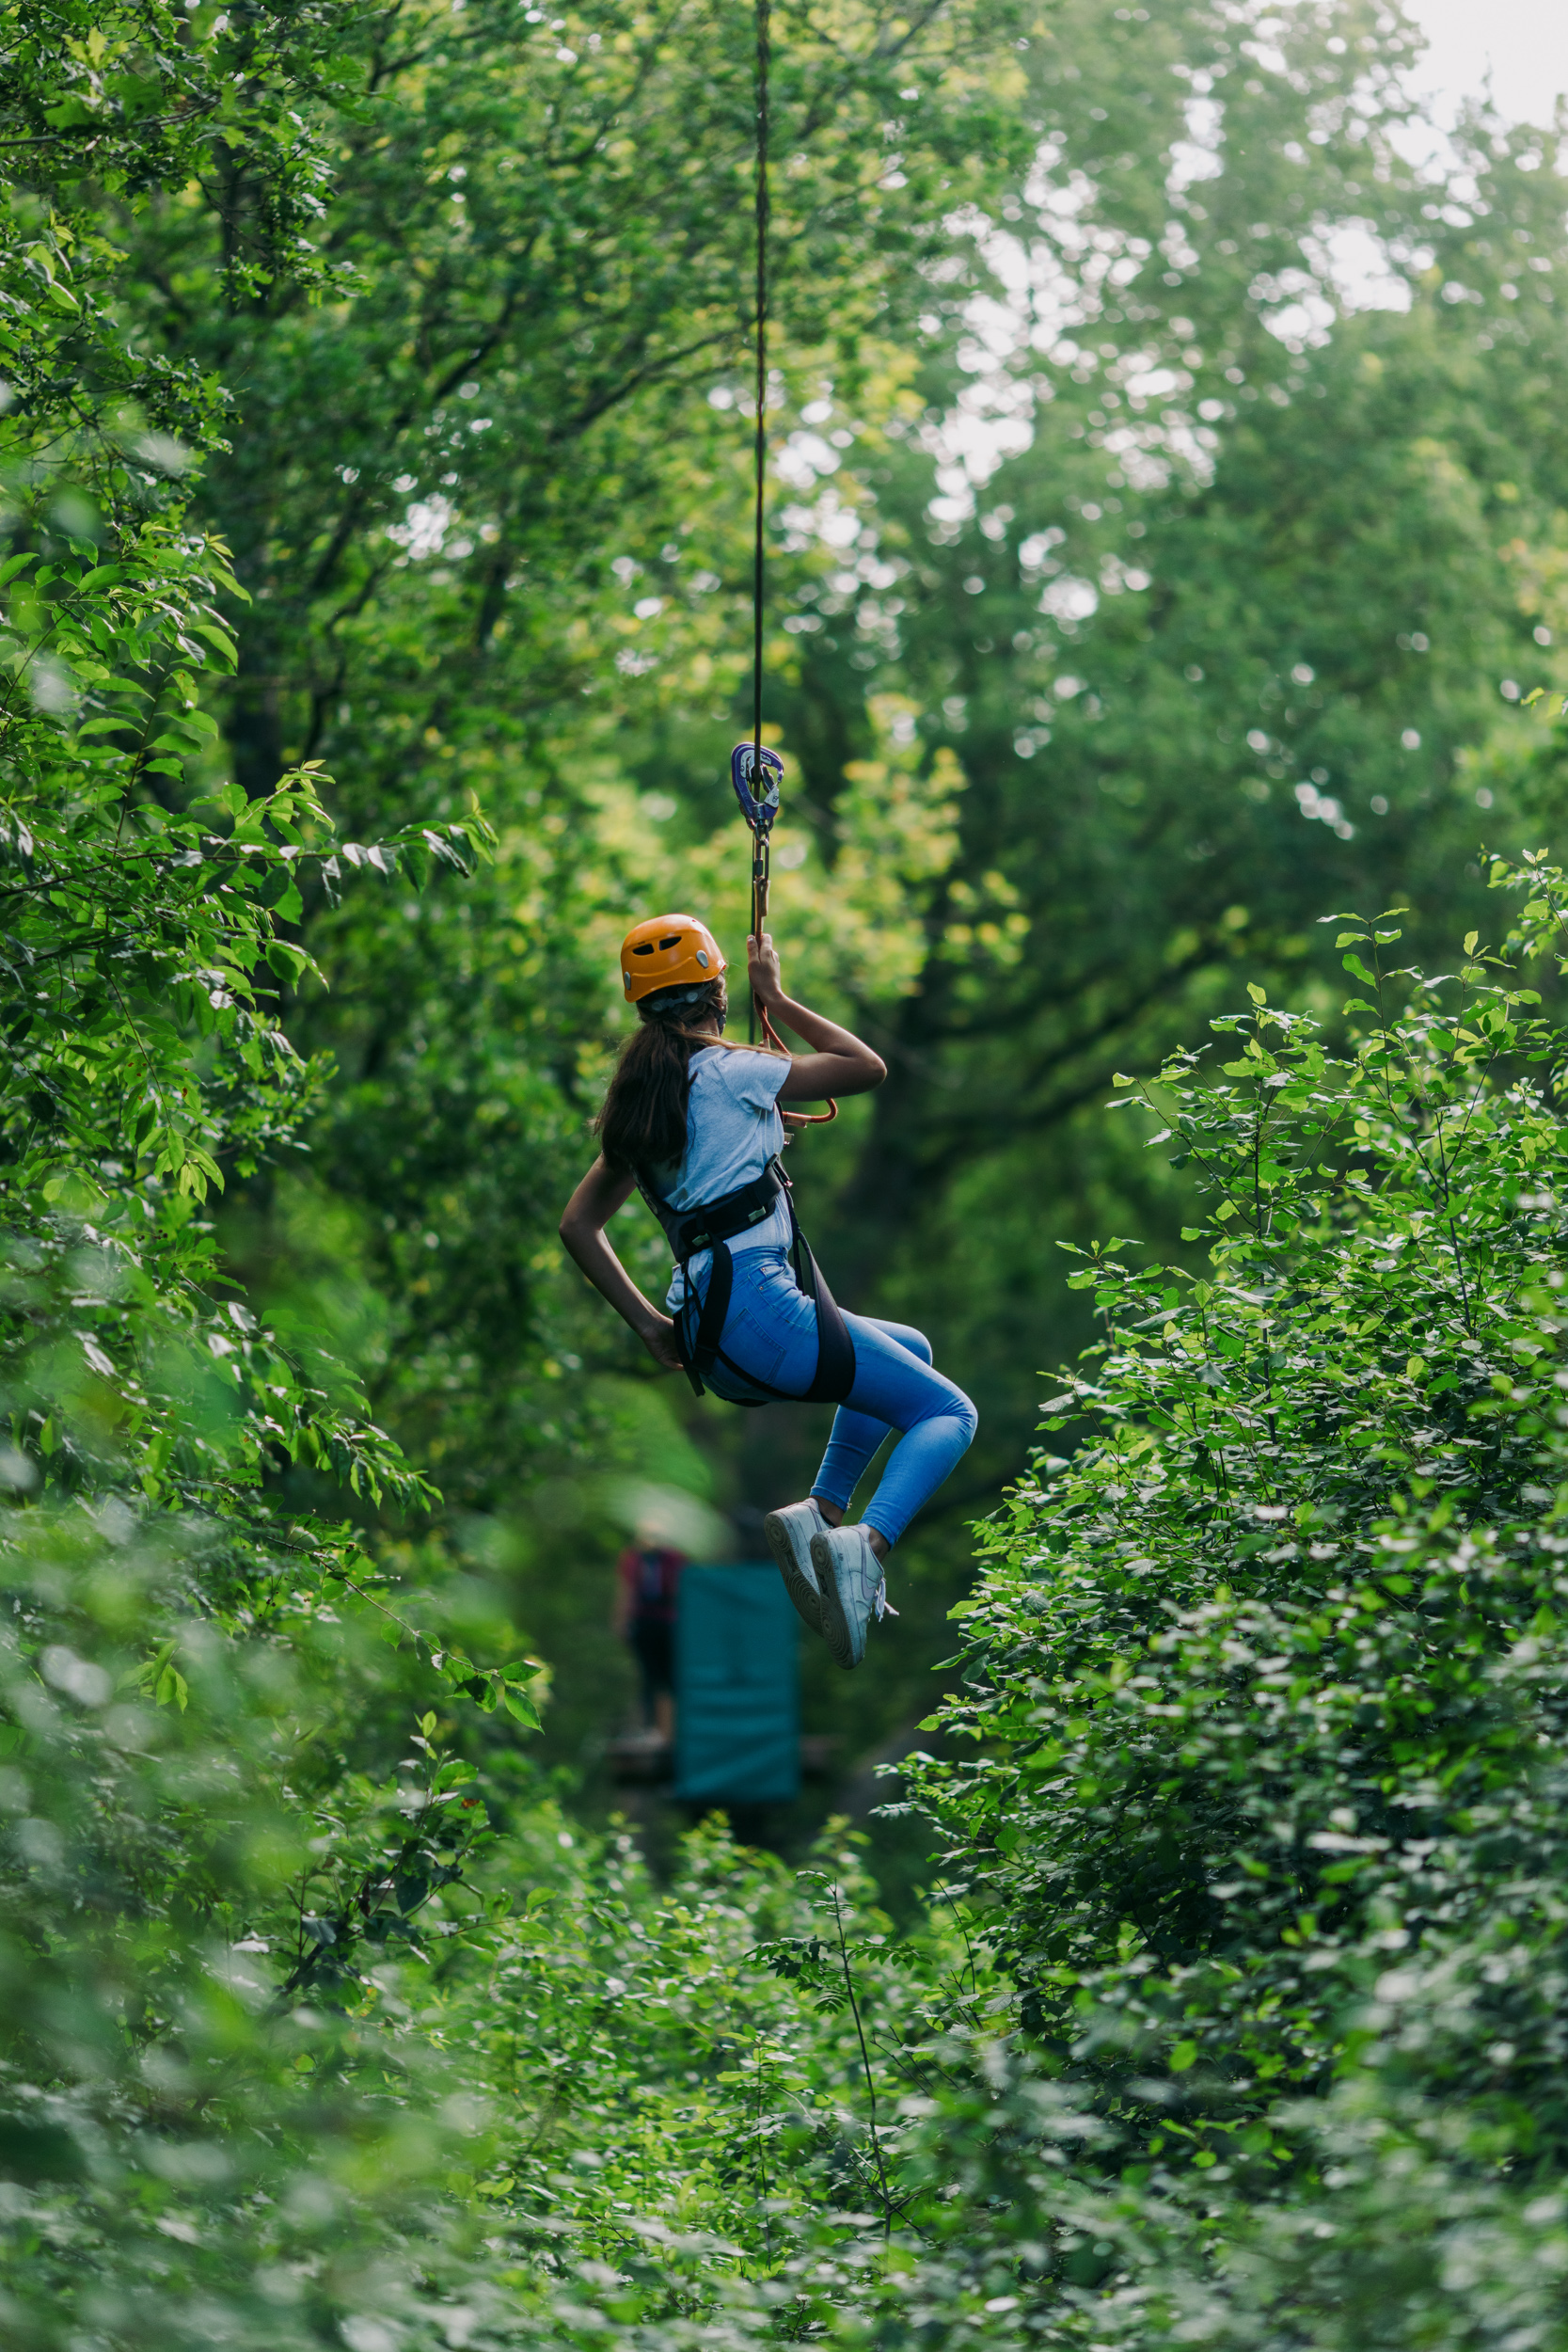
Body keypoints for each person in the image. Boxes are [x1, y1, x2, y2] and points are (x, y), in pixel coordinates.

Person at [559, 913, 977, 1671]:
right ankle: (865, 1545)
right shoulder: (729, 1072)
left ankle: (817, 1511)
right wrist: (777, 998)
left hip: (706, 1334)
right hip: (761, 1312)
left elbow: (579, 1225)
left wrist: (650, 1328)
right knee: (948, 1412)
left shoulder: (641, 1105)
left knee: (909, 1348)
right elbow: (866, 1067)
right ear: (717, 990)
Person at [612, 1523, 686, 1741]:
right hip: (643, 1622)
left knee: (670, 1677)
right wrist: (621, 1620)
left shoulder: (674, 1559)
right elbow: (626, 1590)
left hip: (669, 1622)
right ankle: (651, 1729)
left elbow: (685, 1590)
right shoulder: (633, 1559)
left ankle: (669, 1732)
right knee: (649, 1677)